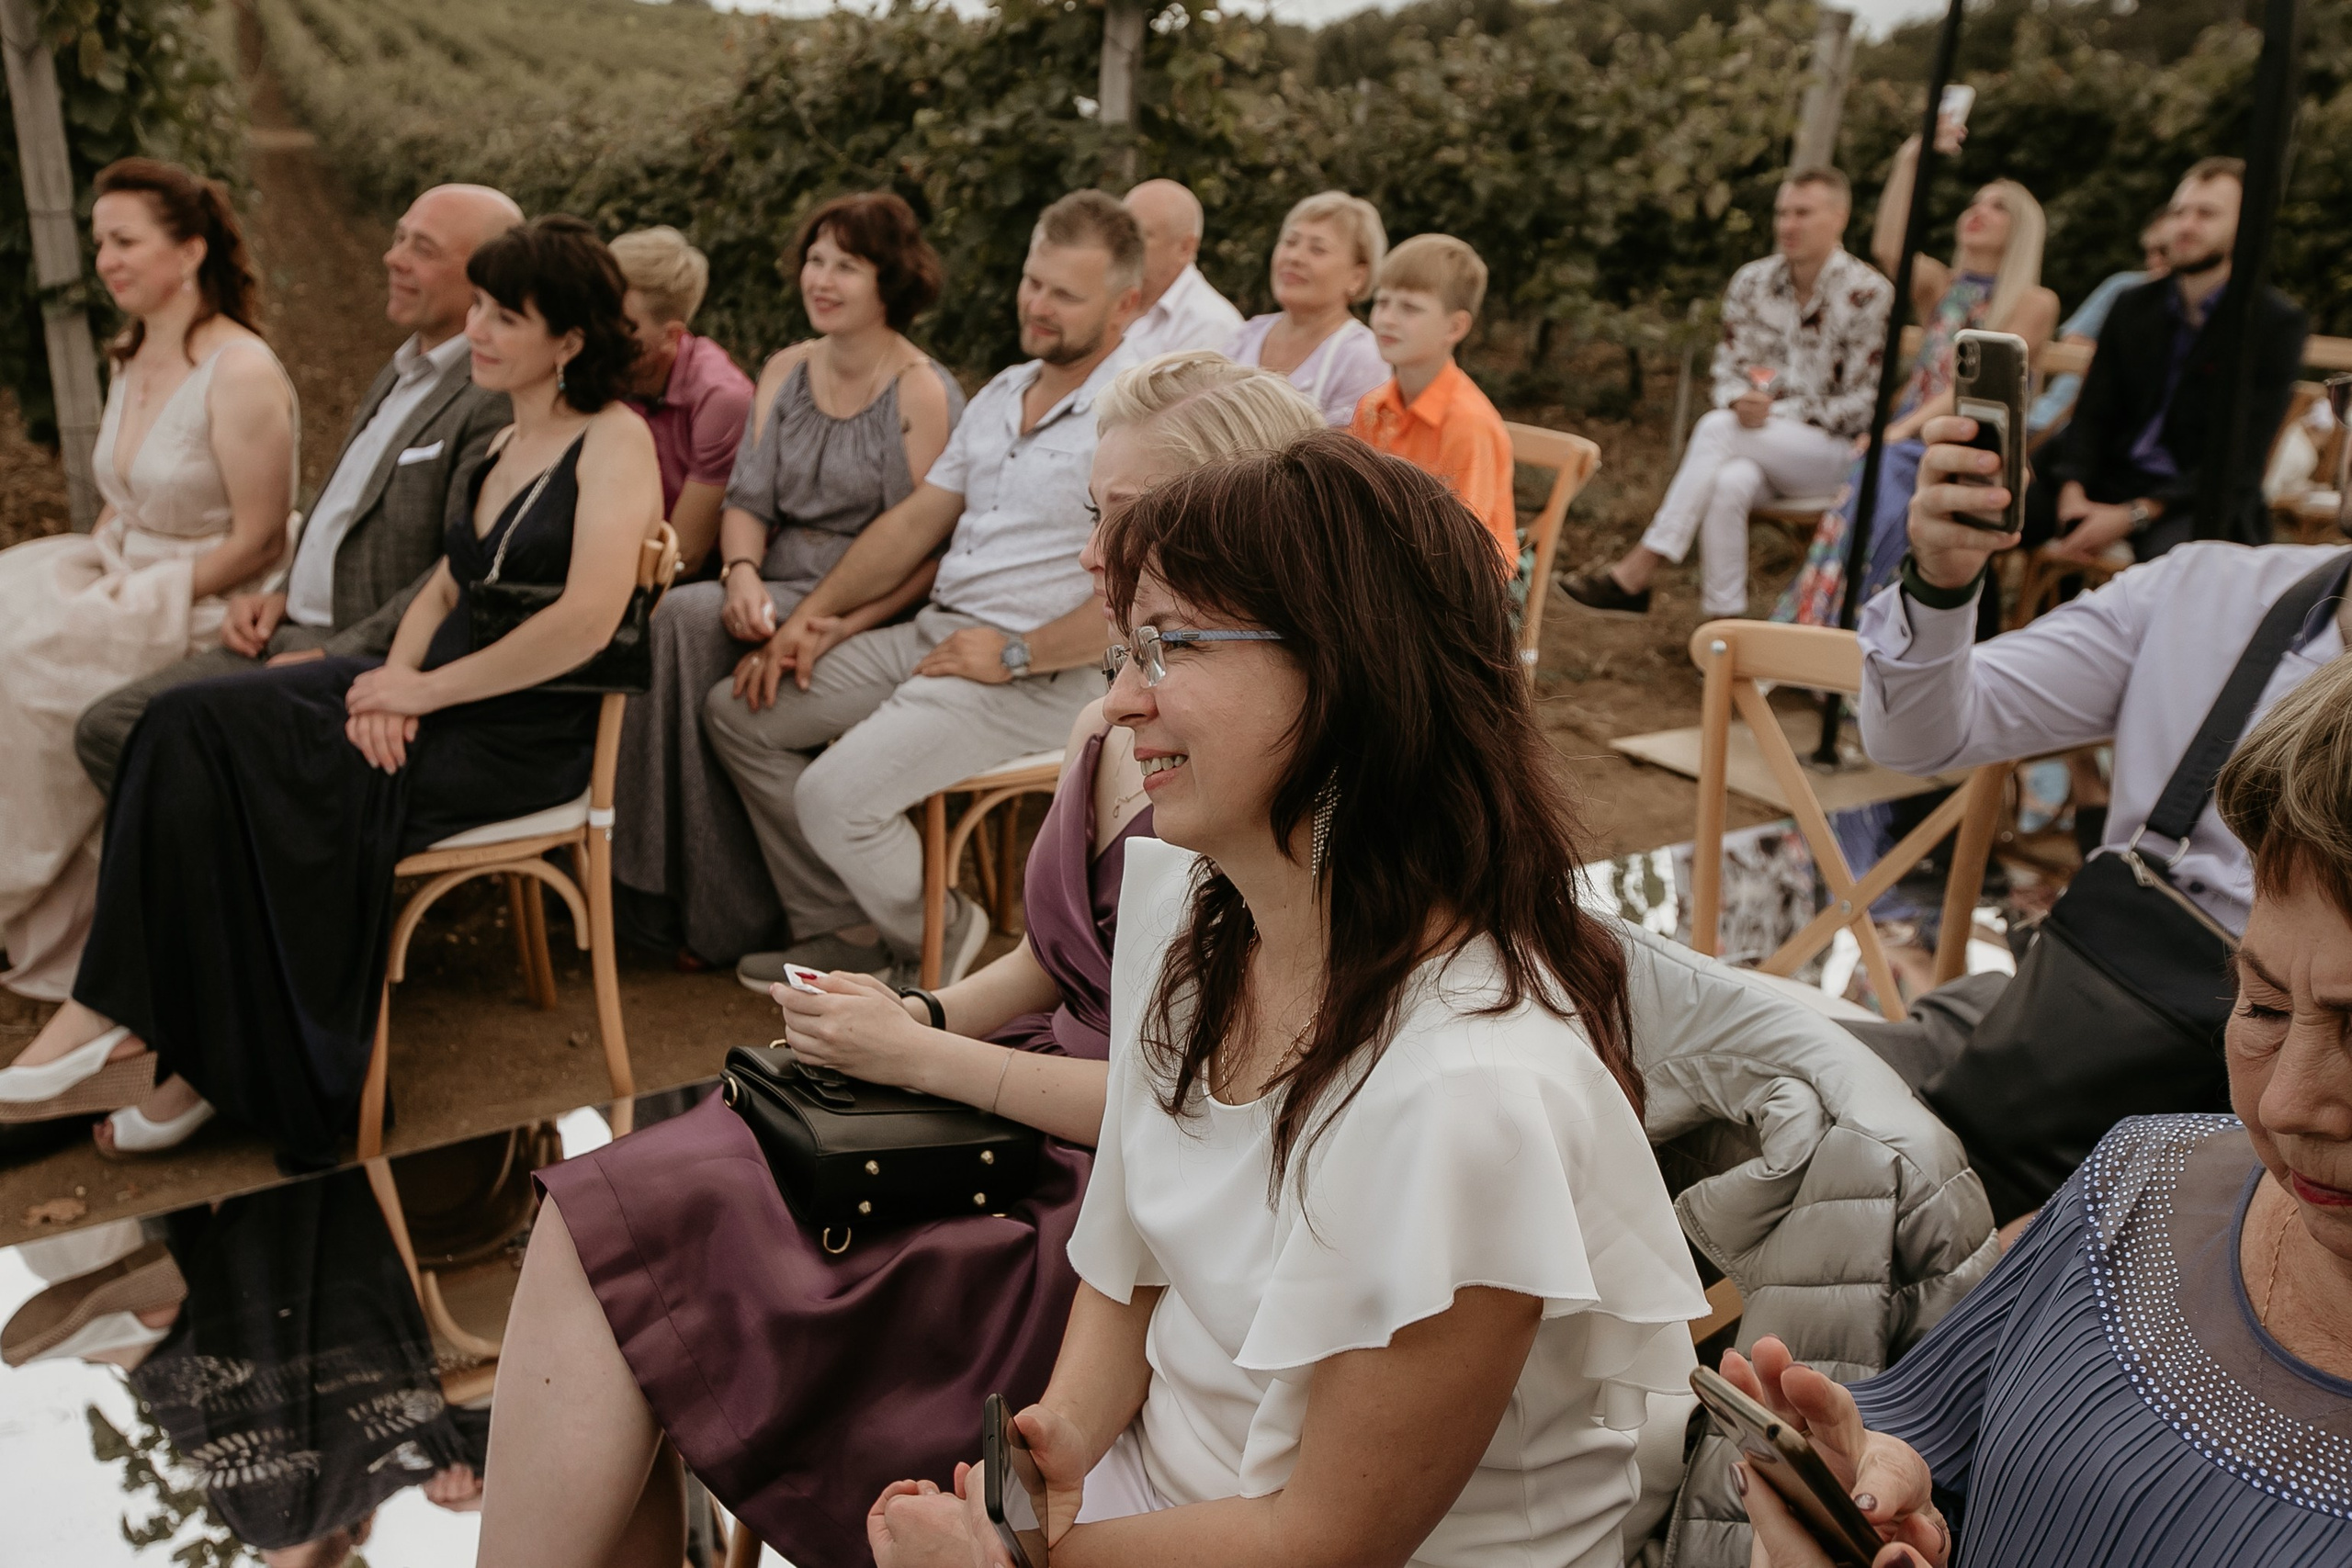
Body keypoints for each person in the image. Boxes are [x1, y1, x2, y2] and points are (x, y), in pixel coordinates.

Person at [470, 357, 1328, 1568]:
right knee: (621, 1206)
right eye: (1093, 514)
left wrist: (922, 1055)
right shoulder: (1110, 717)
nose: (1089, 555)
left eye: (1124, 519)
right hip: (1011, 1092)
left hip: (1087, 1194)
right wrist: (919, 1003)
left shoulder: (1240, 775)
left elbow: (1187, 1108)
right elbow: (1055, 952)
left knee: (650, 1233)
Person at [867, 433, 1707, 1568]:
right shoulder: (1191, 921)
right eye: (1123, 650)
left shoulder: (1470, 1094)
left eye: (1166, 646)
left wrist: (1018, 1565)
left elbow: (1325, 1539)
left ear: (1347, 668)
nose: (1116, 703)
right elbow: (1129, 1258)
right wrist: (1060, 1440)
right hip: (1164, 1510)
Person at [0, 216, 663, 1166]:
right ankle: (136, 1024)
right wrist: (396, 674)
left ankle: (196, 1059)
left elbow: (585, 623)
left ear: (569, 341)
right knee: (180, 722)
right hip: (436, 690)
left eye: (504, 316)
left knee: (266, 771)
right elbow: (445, 585)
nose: (475, 329)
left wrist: (421, 697)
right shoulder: (502, 436)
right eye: (475, 305)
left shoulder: (614, 441)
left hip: (520, 732)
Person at [1729, 649, 2352, 1568]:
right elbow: (1933, 1439)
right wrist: (1874, 1486)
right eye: (2260, 1007)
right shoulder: (2140, 1182)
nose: (2289, 1102)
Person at [1841, 411, 2348, 1219]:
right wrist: (1942, 580)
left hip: (2264, 1155)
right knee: (1706, 1055)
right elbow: (1921, 735)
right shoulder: (2209, 591)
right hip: (2060, 1036)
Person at [706, 190, 1144, 992]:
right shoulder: (1004, 390)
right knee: (742, 713)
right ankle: (852, 926)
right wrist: (809, 620)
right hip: (936, 632)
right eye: (1032, 281)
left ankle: (937, 929)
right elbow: (913, 525)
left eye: (1065, 295)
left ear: (1126, 305)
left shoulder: (1137, 416)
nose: (1038, 306)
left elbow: (1135, 588)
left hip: (1038, 669)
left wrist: (1016, 652)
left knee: (833, 796)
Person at [74, 184, 523, 799]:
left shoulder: (490, 398)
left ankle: (255, 874)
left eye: (421, 249)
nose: (392, 258)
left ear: (488, 276)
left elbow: (458, 567)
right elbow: (346, 505)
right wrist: (280, 596)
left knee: (138, 730)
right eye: (397, 238)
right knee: (106, 721)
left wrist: (337, 652)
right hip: (290, 628)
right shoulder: (404, 368)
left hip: (358, 654)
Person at [611, 192, 964, 970]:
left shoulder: (920, 390)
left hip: (872, 603)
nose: (823, 278)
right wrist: (739, 574)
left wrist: (838, 622)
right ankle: (675, 893)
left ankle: (751, 910)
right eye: (815, 259)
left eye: (848, 264)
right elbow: (747, 501)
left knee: (717, 683)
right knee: (673, 623)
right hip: (772, 583)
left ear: (891, 281)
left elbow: (928, 549)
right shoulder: (785, 369)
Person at [0, 158, 297, 1002]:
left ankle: (72, 922)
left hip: (207, 597)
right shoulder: (133, 348)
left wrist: (135, 598)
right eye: (101, 243)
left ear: (191, 251)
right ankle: (28, 904)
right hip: (128, 566)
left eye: (126, 241)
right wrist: (89, 573)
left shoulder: (238, 371)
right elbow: (121, 499)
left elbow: (260, 539)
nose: (107, 260)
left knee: (24, 668)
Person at [5, 1173, 491, 1562]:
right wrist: (486, 1495)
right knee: (273, 1520)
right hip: (348, 1276)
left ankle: (146, 1341)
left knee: (68, 1246)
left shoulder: (421, 1463)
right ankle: (146, 1346)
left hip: (261, 1275)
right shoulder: (427, 1467)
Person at [1560, 167, 1891, 619]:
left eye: (1803, 213)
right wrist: (1739, 399)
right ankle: (1725, 629)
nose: (1787, 225)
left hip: (1837, 458)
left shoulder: (1869, 294)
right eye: (1781, 213)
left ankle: (1638, 570)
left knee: (1718, 429)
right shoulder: (1751, 283)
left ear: (1839, 217)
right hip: (1757, 446)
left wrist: (1775, 414)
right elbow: (1727, 369)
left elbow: (1865, 405)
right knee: (1728, 483)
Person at [1775, 123, 2058, 626]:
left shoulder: (2034, 301)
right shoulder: (1943, 287)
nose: (1979, 211)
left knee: (1882, 476)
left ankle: (1867, 637)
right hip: (1904, 438)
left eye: (1997, 207)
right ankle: (1824, 630)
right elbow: (1892, 246)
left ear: (2021, 228)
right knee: (1875, 476)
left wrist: (1898, 430)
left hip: (1964, 442)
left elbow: (1971, 386)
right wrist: (1911, 157)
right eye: (1976, 202)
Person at [2034, 157, 2309, 561]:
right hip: (2103, 478)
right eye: (2180, 212)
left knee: (2179, 571)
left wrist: (2131, 516)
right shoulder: (2132, 305)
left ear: (2248, 224)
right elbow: (2093, 411)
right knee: (1973, 519)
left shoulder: (2273, 323)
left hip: (2192, 498)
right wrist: (2073, 490)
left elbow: (2241, 460)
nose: (2185, 225)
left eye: (2206, 214)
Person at [1350, 232, 1518, 568]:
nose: (1387, 318)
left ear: (1455, 327)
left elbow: (1462, 548)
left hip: (1461, 589)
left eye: (1410, 308)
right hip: (1388, 567)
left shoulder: (1467, 423)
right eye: (1382, 302)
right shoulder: (1372, 406)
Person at [610, 226, 754, 575]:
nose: (601, 333)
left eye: (623, 325)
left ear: (672, 334)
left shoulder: (721, 398)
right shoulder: (600, 367)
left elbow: (684, 554)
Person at [1223, 190, 1390, 425]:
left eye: (1317, 249)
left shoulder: (1361, 357)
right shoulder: (1246, 336)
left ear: (1357, 277)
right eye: (1290, 242)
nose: (1295, 257)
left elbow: (1345, 459)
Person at [2025, 208, 2171, 438]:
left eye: (2163, 251)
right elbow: (2072, 342)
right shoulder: (2125, 287)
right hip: (2056, 421)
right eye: (2149, 251)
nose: (2153, 260)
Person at [1119, 179, 1243, 361]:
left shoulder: (1211, 326)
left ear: (1185, 247)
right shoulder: (1100, 298)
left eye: (1140, 235)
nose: (1123, 244)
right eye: (1119, 232)